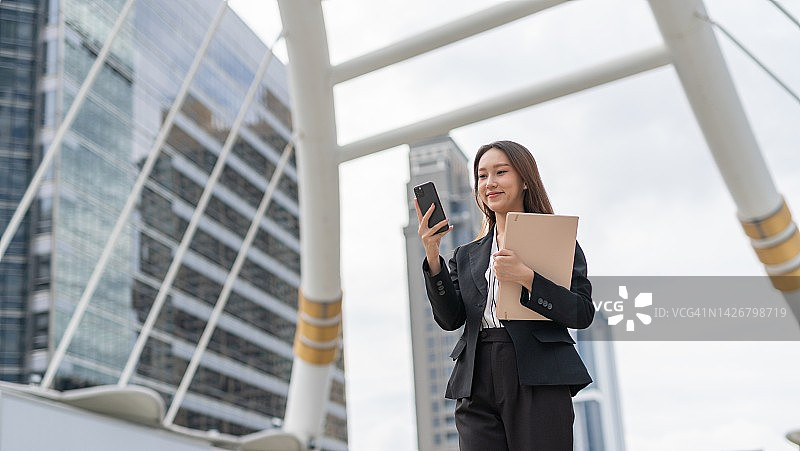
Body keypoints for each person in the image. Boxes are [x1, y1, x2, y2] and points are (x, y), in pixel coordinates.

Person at [415, 140, 595, 450]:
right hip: (475, 375)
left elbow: (581, 313)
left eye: (500, 172)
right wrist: (433, 256)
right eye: (482, 176)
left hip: (537, 372)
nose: (490, 183)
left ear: (524, 179)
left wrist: (527, 278)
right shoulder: (466, 255)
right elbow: (450, 319)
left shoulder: (558, 240)